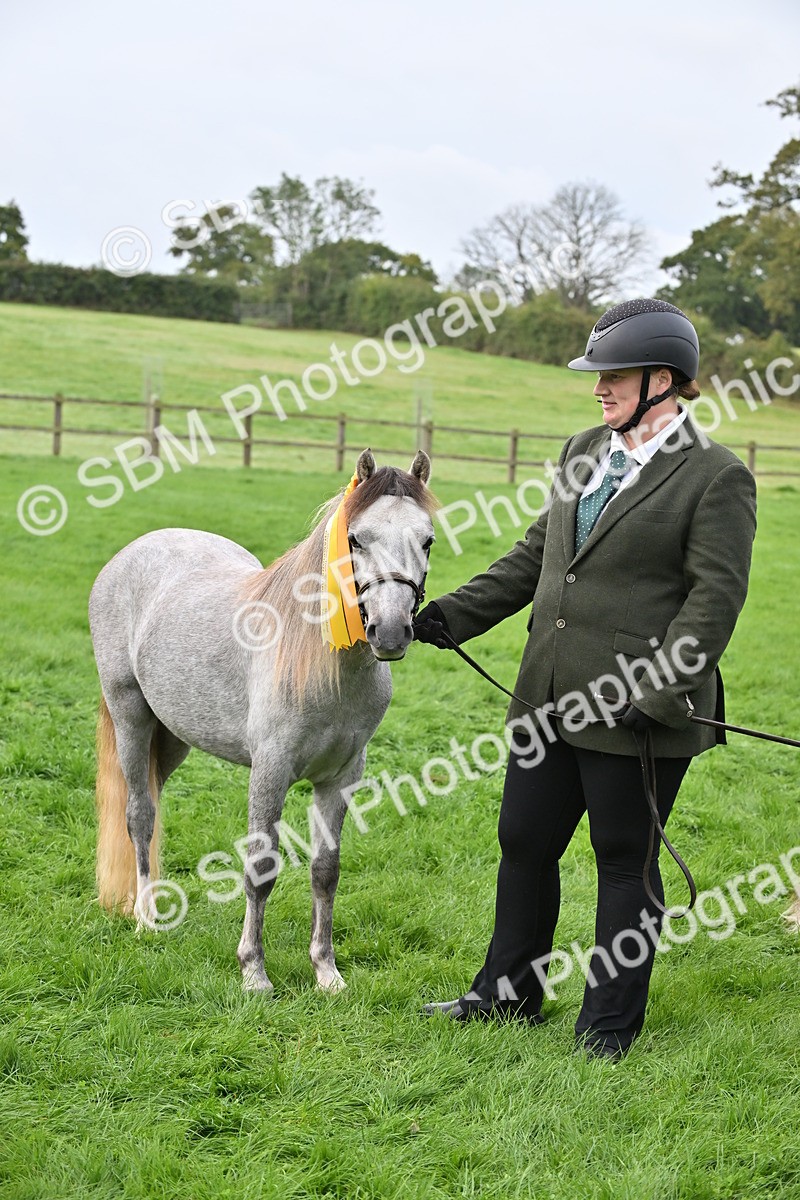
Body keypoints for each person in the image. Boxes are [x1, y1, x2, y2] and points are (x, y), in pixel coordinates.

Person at [413, 298, 757, 1060]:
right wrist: (452, 616)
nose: (598, 390)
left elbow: (714, 600)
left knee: (623, 862)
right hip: (548, 694)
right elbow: (537, 555)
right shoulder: (582, 450)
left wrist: (662, 692)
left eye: (613, 377)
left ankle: (608, 1026)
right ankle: (507, 996)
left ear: (663, 381)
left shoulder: (716, 477)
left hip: (639, 709)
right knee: (523, 840)